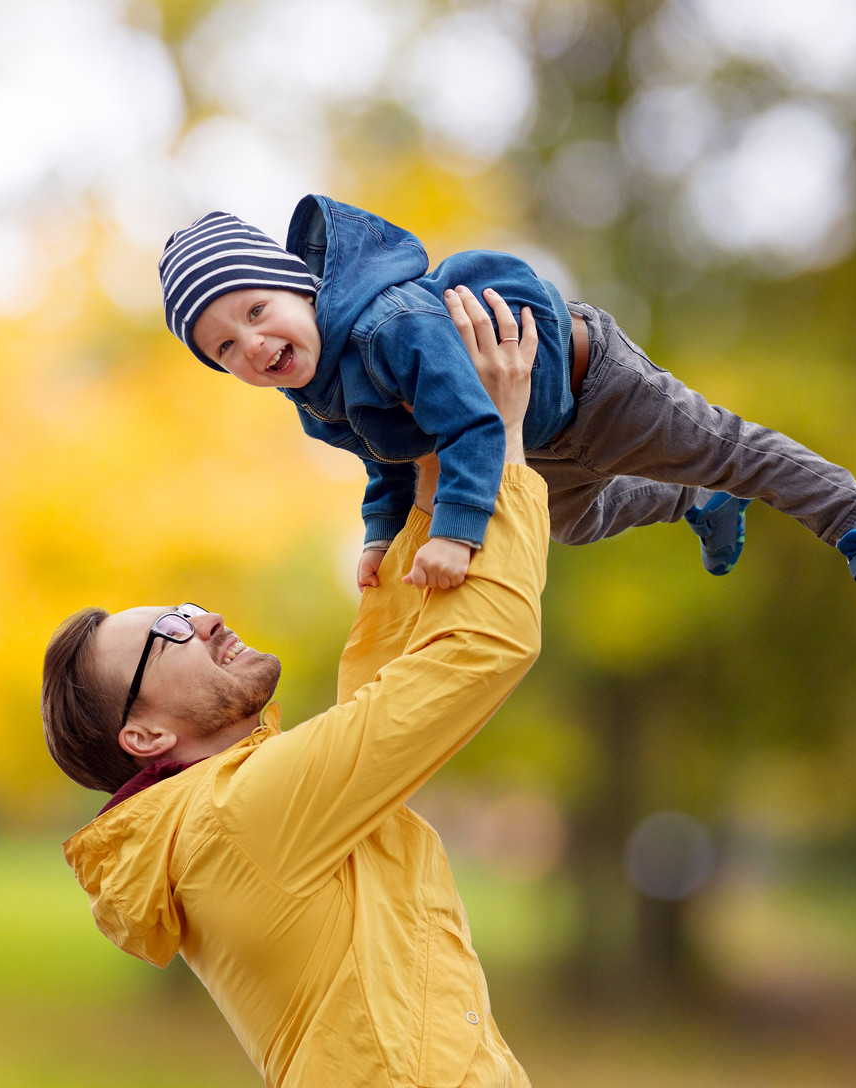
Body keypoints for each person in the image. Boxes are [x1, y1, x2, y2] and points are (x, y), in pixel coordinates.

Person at [44, 289, 546, 1087]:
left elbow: (380, 697)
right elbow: (479, 652)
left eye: (183, 605)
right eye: (167, 632)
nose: (203, 615)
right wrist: (504, 449)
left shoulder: (231, 816)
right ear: (144, 738)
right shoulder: (238, 819)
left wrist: (427, 489)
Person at [159, 196, 856, 637]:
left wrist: (457, 536)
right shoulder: (315, 396)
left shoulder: (387, 325)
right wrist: (379, 535)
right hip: (536, 435)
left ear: (299, 287)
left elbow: (469, 427)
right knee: (569, 524)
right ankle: (695, 503)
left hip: (592, 386)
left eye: (258, 311)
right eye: (225, 347)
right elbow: (387, 459)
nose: (254, 344)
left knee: (726, 449)